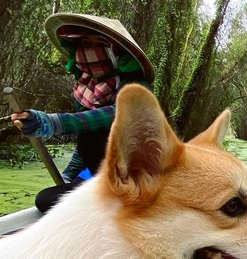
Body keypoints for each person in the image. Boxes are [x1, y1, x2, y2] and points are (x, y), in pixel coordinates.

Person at [11, 13, 154, 213]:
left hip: (130, 175)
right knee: (45, 200)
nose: (91, 49)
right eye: (86, 42)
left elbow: (111, 116)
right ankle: (95, 198)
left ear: (117, 51)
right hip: (95, 174)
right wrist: (69, 174)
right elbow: (85, 141)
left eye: (100, 43)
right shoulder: (84, 90)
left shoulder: (137, 87)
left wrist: (52, 123)